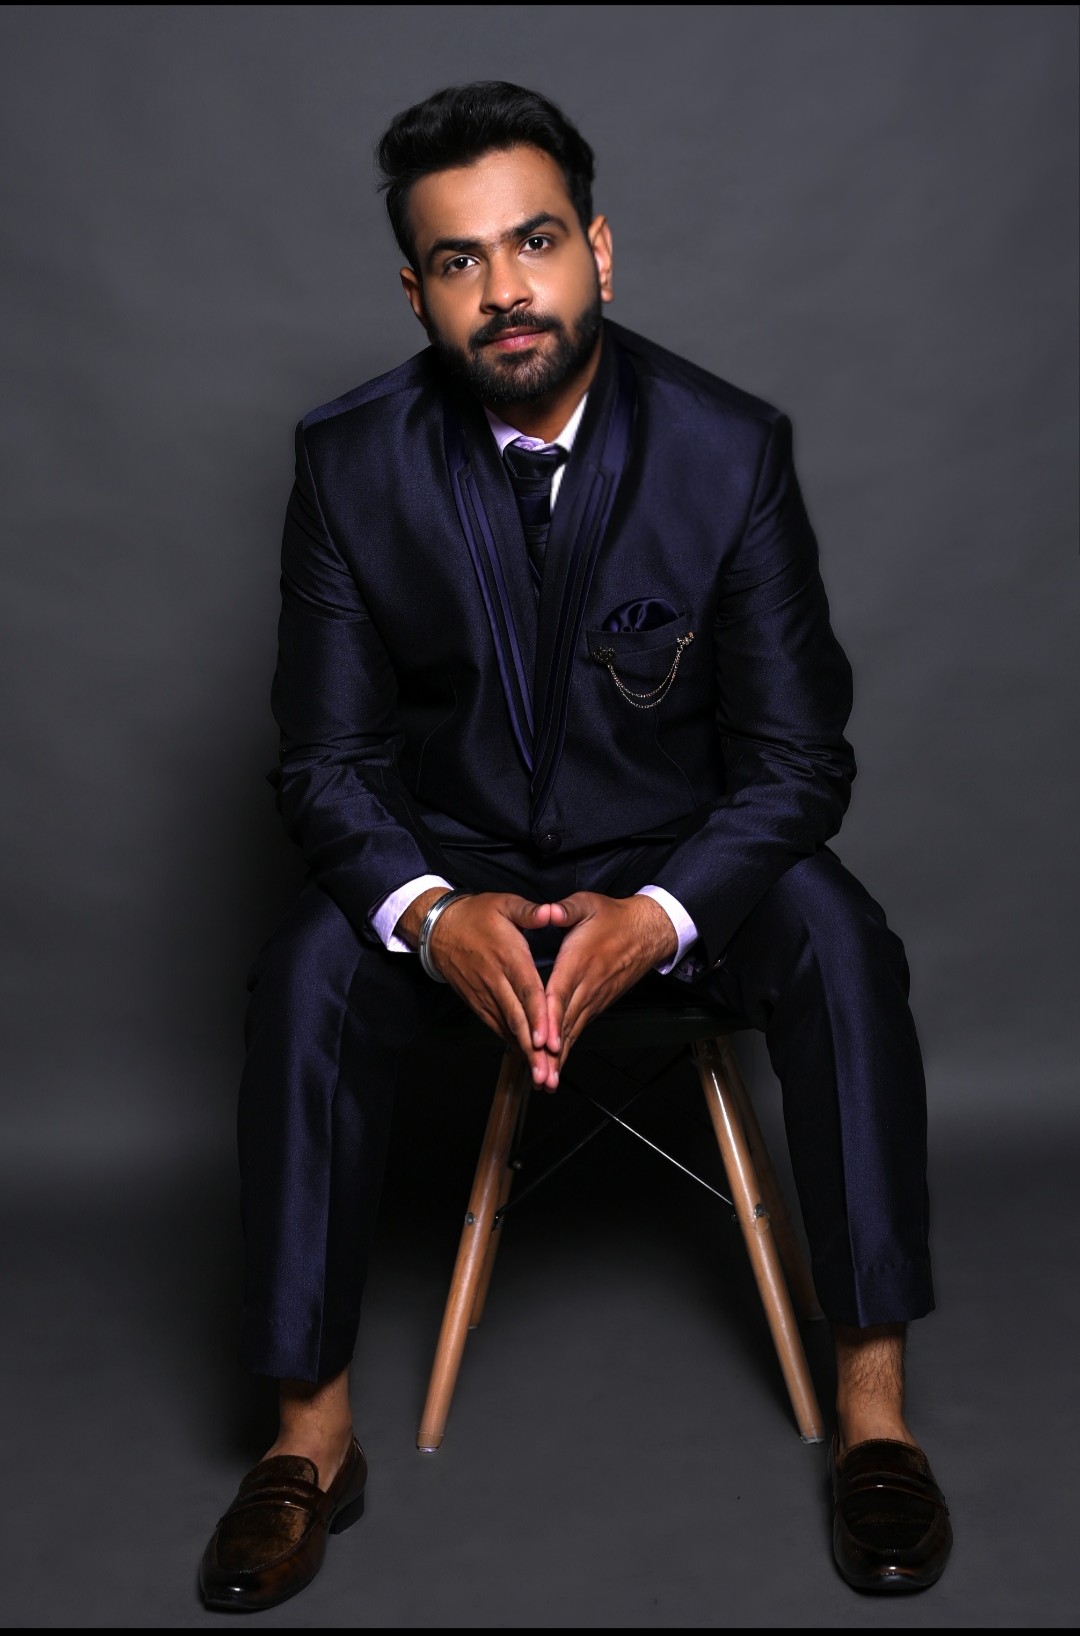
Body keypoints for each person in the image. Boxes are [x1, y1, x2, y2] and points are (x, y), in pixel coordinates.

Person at [199, 81, 952, 1610]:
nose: (505, 288)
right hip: (456, 863)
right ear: (416, 291)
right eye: (460, 259)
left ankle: (876, 1412)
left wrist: (664, 914)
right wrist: (431, 913)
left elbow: (799, 762)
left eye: (534, 242)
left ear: (599, 249)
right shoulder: (348, 463)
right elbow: (326, 765)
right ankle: (307, 1435)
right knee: (305, 973)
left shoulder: (730, 449)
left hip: (681, 863)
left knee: (842, 940)